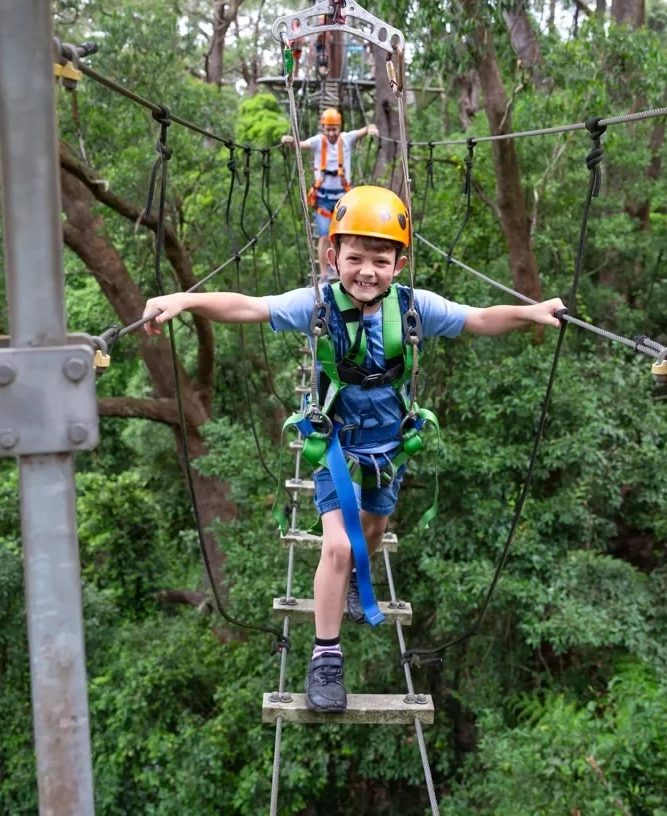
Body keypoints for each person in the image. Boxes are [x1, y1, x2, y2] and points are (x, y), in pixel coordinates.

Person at [141, 186, 565, 714]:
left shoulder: (414, 309)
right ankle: (325, 655)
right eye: (355, 258)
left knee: (373, 532)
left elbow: (478, 318)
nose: (367, 271)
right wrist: (185, 300)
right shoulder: (316, 305)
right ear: (332, 256)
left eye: (381, 261)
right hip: (334, 449)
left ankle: (350, 583)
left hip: (390, 451)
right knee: (339, 548)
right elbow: (249, 307)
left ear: (399, 264)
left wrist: (531, 313)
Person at [282, 108, 378, 276]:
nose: (332, 133)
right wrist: (290, 141)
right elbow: (301, 145)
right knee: (324, 236)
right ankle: (324, 274)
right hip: (323, 198)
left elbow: (364, 129)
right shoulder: (318, 141)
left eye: (334, 129)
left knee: (343, 236)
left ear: (339, 127)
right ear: (323, 128)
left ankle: (339, 269)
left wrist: (371, 128)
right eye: (328, 129)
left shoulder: (346, 139)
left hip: (343, 197)